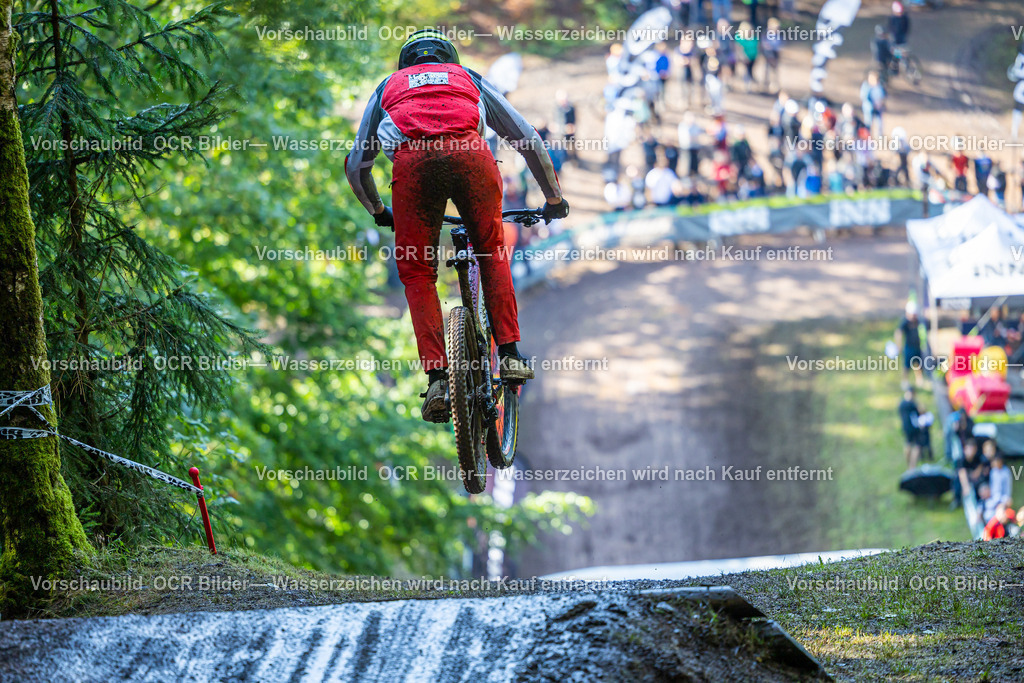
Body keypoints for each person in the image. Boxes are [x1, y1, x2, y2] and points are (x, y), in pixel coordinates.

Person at [345, 30, 569, 422]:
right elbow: (526, 138)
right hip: (472, 159)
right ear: (448, 57)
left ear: (405, 64)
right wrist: (553, 198)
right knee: (492, 253)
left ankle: (436, 379)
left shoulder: (387, 88)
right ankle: (512, 356)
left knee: (417, 273)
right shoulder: (469, 77)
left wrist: (378, 210)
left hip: (413, 168)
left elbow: (356, 165)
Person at [895, 300, 924, 386]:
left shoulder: (918, 321)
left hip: (917, 346)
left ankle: (919, 380)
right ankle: (905, 381)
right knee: (907, 365)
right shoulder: (905, 322)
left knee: (918, 363)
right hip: (908, 347)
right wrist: (898, 345)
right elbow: (898, 332)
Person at [899, 386, 924, 470]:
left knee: (908, 444)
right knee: (917, 446)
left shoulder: (901, 404)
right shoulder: (912, 404)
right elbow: (920, 412)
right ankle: (912, 466)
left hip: (905, 427)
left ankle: (909, 464)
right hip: (914, 427)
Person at [860, 71, 886, 136]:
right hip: (869, 108)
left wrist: (881, 103)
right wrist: (872, 104)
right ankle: (867, 136)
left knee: (879, 123)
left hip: (878, 108)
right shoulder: (866, 86)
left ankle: (880, 136)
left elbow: (882, 95)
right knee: (868, 122)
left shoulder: (879, 87)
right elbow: (864, 97)